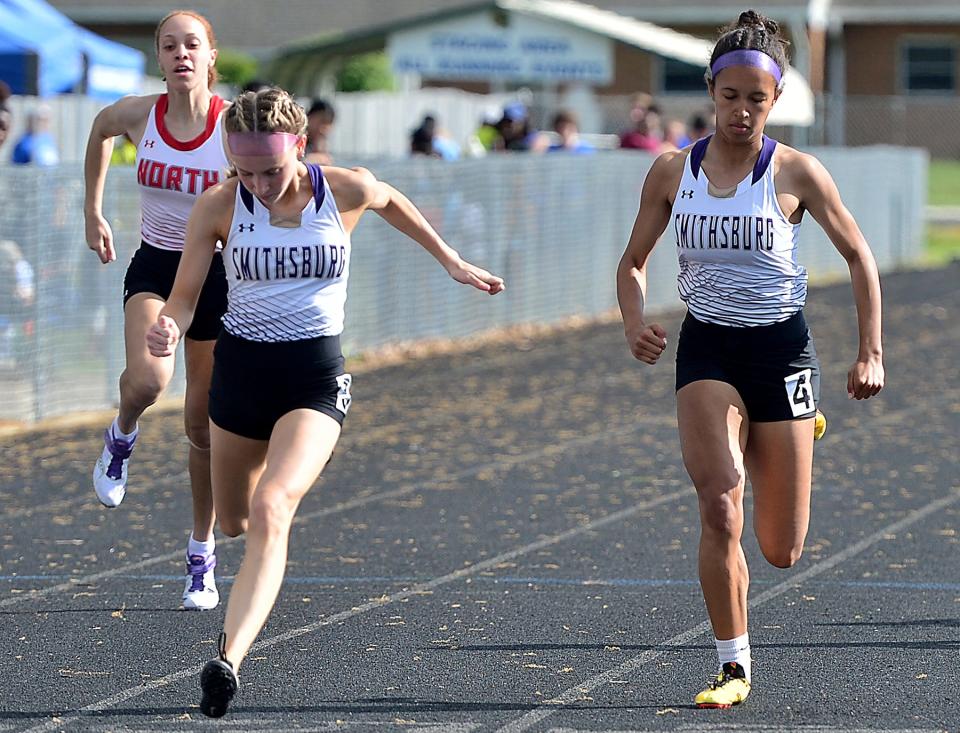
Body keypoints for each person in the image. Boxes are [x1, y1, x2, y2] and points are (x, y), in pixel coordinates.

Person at [145, 87, 504, 718]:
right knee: (236, 521)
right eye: (243, 170)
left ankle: (228, 659)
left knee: (273, 504)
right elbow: (183, 296)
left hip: (315, 376)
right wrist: (171, 325)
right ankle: (249, 566)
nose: (257, 184)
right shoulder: (218, 206)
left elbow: (391, 201)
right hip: (242, 376)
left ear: (300, 148)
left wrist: (450, 260)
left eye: (271, 170)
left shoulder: (343, 190)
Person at [616, 9, 883, 708]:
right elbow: (632, 262)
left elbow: (858, 256)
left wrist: (870, 353)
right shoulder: (674, 172)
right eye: (729, 96)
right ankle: (733, 666)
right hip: (707, 347)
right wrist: (635, 319)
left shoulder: (796, 171)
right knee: (720, 505)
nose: (740, 111)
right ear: (711, 91)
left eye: (756, 100)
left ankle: (794, 428)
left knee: (781, 548)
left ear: (776, 100)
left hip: (781, 351)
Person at [83, 9, 229, 612]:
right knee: (147, 380)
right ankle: (122, 434)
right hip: (157, 265)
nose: (181, 54)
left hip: (221, 277)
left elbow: (288, 162)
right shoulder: (142, 114)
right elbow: (99, 129)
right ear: (159, 56)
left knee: (202, 425)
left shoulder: (235, 122)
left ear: (211, 55)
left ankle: (201, 556)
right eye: (169, 45)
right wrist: (92, 211)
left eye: (192, 44)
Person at [304, 97, 335, 164]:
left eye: (329, 123)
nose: (324, 128)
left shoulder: (319, 143)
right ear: (309, 117)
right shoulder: (296, 138)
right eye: (321, 121)